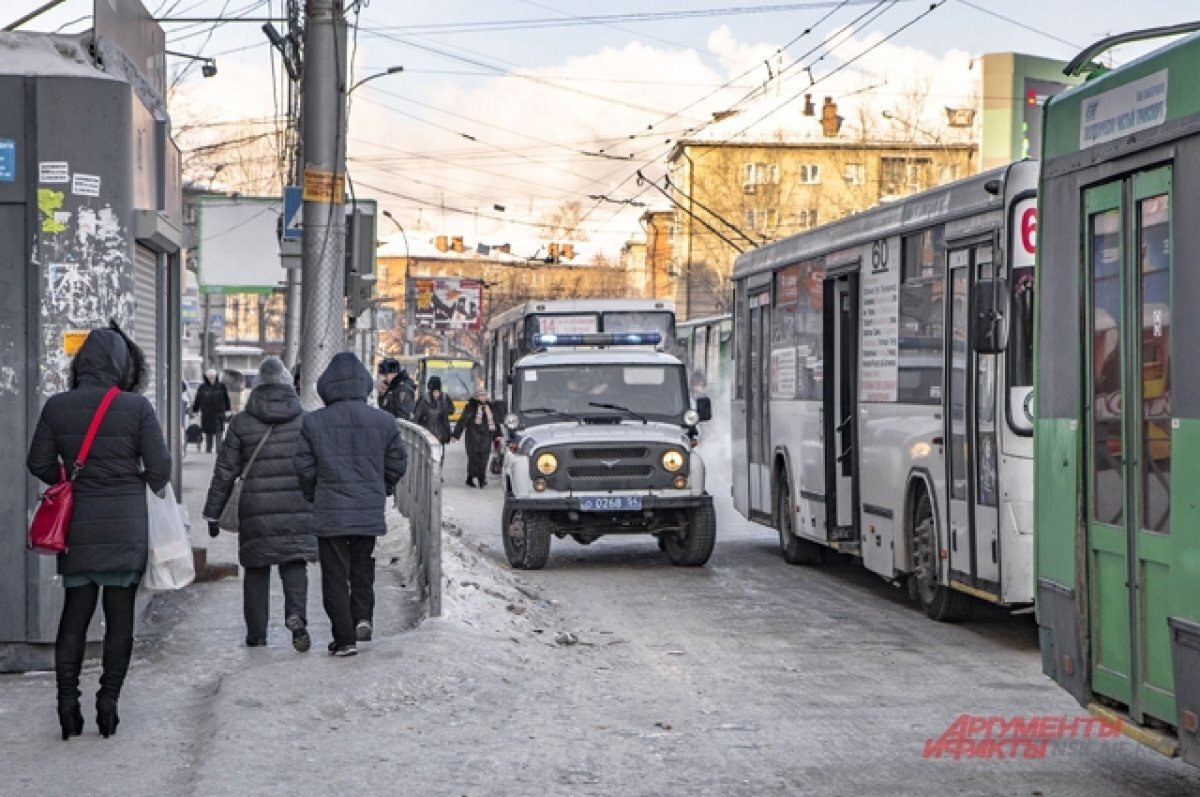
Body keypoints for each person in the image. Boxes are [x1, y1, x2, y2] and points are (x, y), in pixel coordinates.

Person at [26, 322, 171, 741]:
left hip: (77, 526)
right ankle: (108, 704)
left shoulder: (57, 406)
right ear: (121, 365)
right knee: (120, 615)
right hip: (125, 525)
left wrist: (70, 476)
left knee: (75, 612)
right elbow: (160, 470)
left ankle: (67, 705)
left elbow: (38, 463)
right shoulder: (136, 408)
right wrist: (130, 477)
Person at [294, 352, 407, 656]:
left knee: (334, 574)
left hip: (330, 509)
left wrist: (314, 493)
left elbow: (303, 466)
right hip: (366, 508)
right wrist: (380, 488)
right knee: (362, 565)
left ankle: (343, 639)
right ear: (363, 384)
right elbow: (398, 461)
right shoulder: (383, 421)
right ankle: (363, 617)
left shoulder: (313, 422)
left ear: (327, 385)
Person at [202, 357, 317, 651]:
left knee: (256, 569)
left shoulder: (242, 422)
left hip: (255, 508)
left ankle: (257, 635)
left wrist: (213, 514)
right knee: (294, 563)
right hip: (296, 504)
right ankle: (296, 616)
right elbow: (315, 466)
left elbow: (225, 471)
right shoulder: (305, 420)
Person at [451, 386, 501, 488]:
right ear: (477, 397)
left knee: (484, 458)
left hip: (486, 436)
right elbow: (463, 420)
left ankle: (481, 479)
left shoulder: (490, 407)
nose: (483, 397)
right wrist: (456, 435)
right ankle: (472, 478)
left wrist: (498, 435)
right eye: (481, 395)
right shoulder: (471, 406)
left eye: (484, 395)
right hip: (473, 436)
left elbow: (495, 421)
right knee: (474, 458)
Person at [192, 368, 231, 453]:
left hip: (219, 412)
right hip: (207, 413)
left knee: (219, 432)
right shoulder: (202, 387)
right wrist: (195, 410)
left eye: (213, 376)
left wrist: (228, 410)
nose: (211, 378)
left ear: (216, 377)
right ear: (206, 377)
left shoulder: (221, 386)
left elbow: (226, 398)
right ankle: (208, 449)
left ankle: (219, 450)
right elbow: (198, 399)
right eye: (210, 377)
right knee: (208, 432)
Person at [413, 375, 453, 446]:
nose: (436, 394)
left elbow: (451, 411)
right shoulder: (424, 399)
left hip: (440, 436)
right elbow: (416, 416)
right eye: (434, 391)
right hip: (426, 435)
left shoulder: (445, 398)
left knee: (439, 455)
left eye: (437, 391)